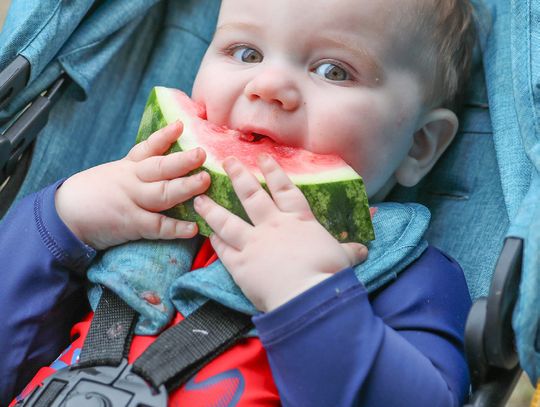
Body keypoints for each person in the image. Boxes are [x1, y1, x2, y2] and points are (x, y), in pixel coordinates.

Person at [0, 0, 477, 405]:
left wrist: (310, 297)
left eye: (334, 71)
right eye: (245, 52)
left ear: (420, 145)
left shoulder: (410, 273)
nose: (267, 85)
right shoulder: (129, 207)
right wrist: (60, 222)